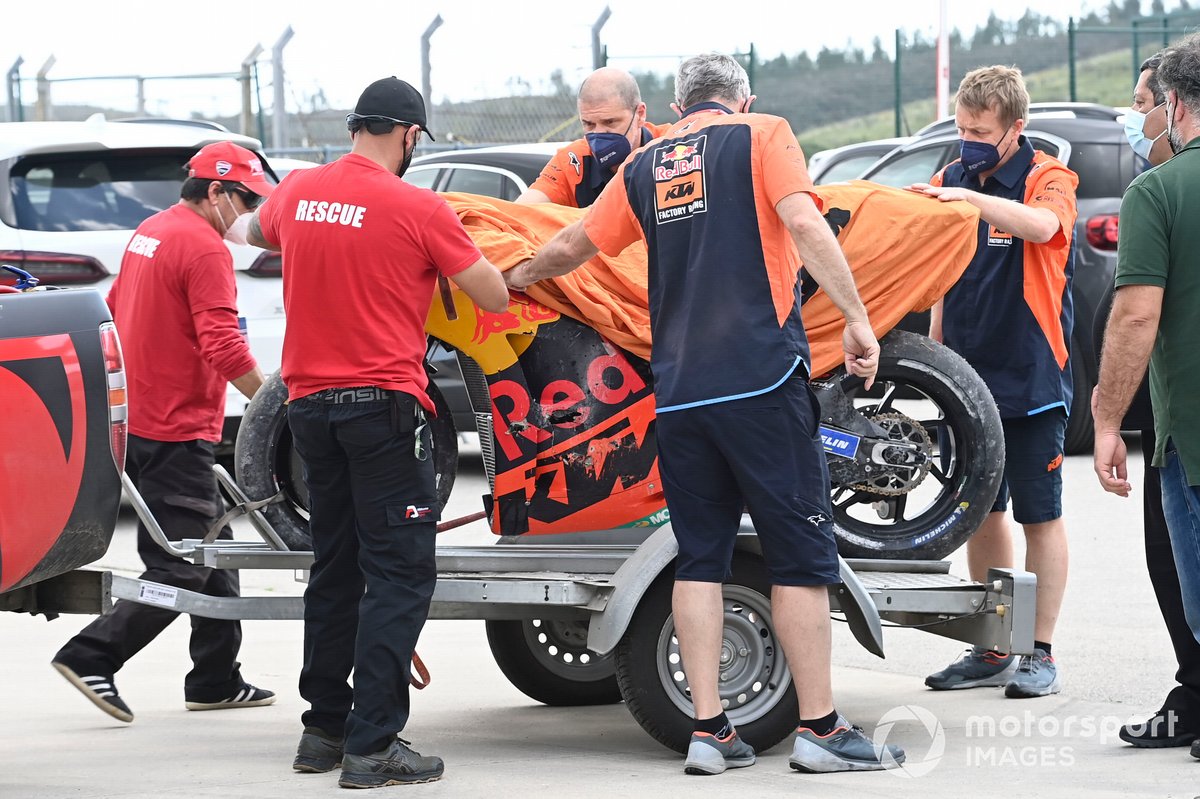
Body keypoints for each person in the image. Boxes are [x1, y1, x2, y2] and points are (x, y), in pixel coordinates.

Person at [504, 52, 904, 777]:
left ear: (679, 104)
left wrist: (515, 278)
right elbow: (806, 224)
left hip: (682, 392)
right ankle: (820, 728)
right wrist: (857, 321)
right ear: (741, 99)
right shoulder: (763, 134)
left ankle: (710, 729)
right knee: (801, 560)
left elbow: (575, 244)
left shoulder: (646, 163)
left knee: (700, 561)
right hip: (760, 381)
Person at [246, 76, 508, 788]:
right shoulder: (417, 206)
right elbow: (493, 293)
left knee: (335, 567)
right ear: (409, 135)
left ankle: (323, 731)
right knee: (399, 573)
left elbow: (249, 229)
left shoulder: (298, 192)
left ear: (357, 125)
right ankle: (373, 744)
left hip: (308, 411)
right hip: (383, 410)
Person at [52, 141, 275, 722]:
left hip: (143, 419)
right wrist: (278, 405)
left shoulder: (151, 231)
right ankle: (93, 654)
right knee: (182, 562)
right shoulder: (204, 249)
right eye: (247, 199)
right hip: (177, 430)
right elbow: (223, 344)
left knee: (216, 542)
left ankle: (215, 678)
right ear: (217, 191)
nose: (251, 211)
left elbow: (115, 310)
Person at [911, 65, 1078, 699]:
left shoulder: (1048, 178)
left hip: (1032, 377)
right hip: (966, 381)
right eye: (961, 127)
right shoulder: (949, 178)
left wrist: (974, 202)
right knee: (983, 512)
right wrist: (933, 354)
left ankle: (1040, 650)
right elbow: (936, 272)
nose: (968, 140)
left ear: (1016, 128)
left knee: (1042, 516)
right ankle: (992, 648)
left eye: (980, 130)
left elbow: (1045, 228)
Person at [1093, 35, 1200, 762]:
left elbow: (1136, 315)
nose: (1137, 122)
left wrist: (1104, 417)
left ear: (1177, 104)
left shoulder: (1158, 192)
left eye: (1144, 107)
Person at [516, 66, 669, 207]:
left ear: (640, 114)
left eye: (609, 122)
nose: (599, 133)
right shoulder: (573, 161)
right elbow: (519, 213)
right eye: (589, 124)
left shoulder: (673, 144)